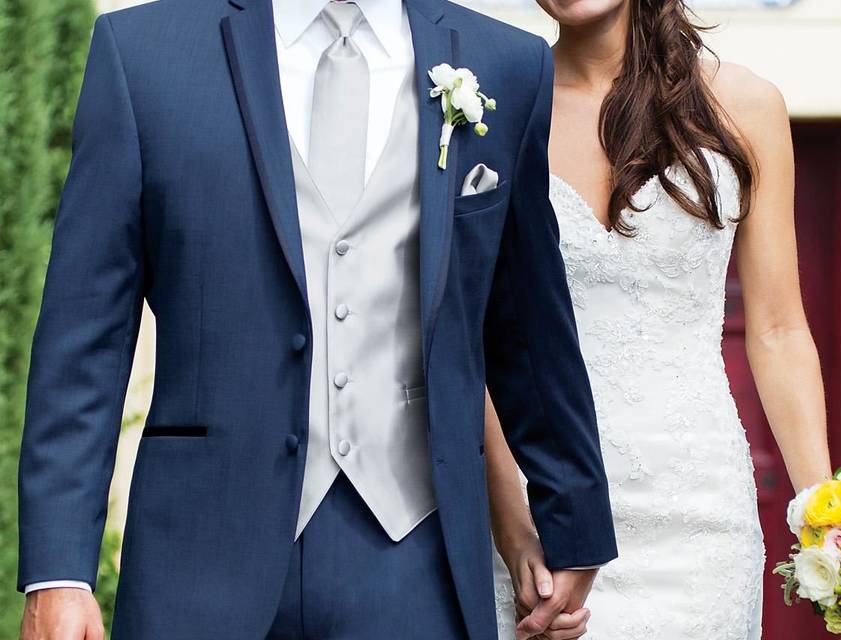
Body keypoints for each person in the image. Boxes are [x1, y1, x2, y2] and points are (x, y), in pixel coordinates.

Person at [17, 1, 617, 638]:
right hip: (198, 561)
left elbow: (526, 320)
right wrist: (59, 571)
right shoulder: (142, 53)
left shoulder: (504, 62)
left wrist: (570, 518)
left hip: (416, 560)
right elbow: (85, 336)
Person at [485, 1, 833, 638]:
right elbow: (468, 337)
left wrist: (827, 511)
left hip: (698, 518)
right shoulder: (496, 110)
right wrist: (511, 521)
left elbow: (779, 330)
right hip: (541, 507)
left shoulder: (746, 104)